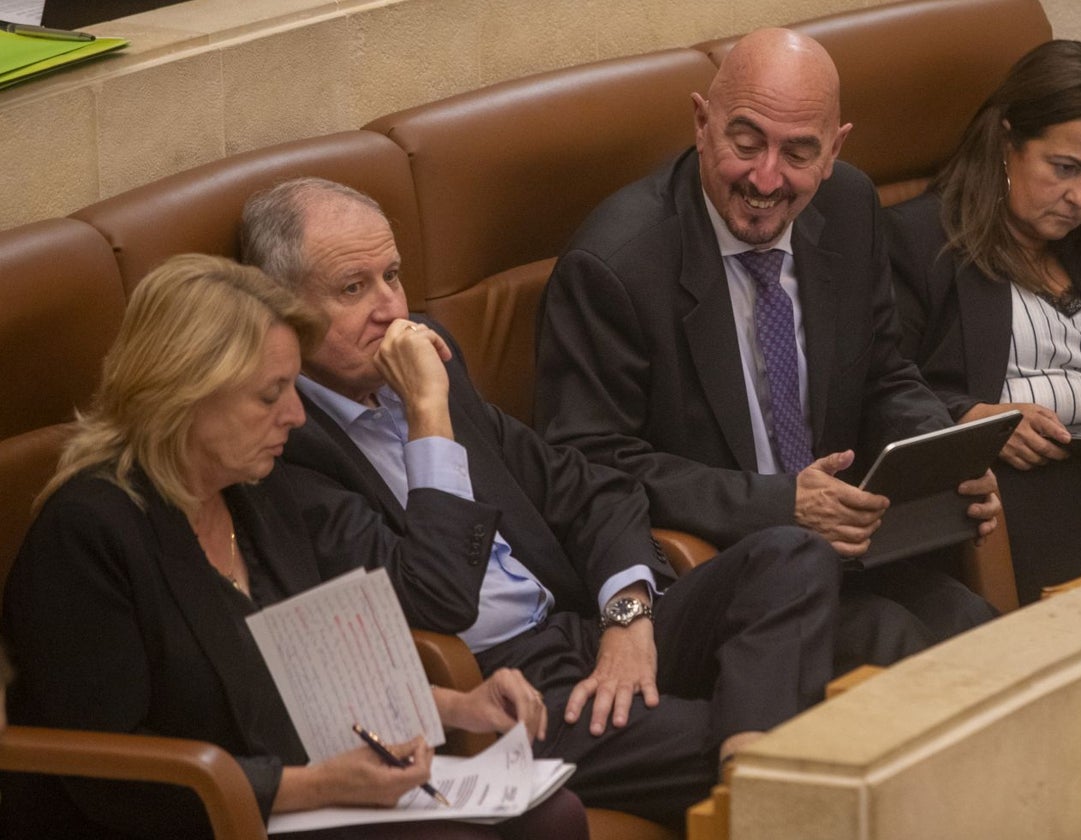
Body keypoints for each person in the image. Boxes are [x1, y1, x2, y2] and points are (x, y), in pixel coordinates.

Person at [240, 177, 844, 829]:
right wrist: (427, 413)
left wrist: (627, 618)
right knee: (769, 731)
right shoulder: (288, 448)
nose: (392, 310)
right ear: (281, 309)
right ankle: (759, 782)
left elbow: (590, 488)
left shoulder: (431, 361)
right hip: (501, 691)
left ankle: (753, 776)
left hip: (582, 628)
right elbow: (432, 595)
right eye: (354, 290)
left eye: (392, 275)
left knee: (791, 551)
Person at [0, 254, 588, 840]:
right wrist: (318, 787)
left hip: (305, 789)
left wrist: (459, 704)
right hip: (194, 817)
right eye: (269, 395)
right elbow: (109, 771)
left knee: (553, 817)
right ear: (181, 396)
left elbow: (313, 671)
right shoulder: (88, 533)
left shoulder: (258, 491)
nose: (296, 414)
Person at [534, 28, 999, 653]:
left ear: (834, 151)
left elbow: (885, 373)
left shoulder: (851, 205)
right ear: (702, 123)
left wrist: (943, 456)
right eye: (746, 142)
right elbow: (589, 463)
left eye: (799, 153)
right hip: (728, 570)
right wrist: (780, 504)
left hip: (855, 548)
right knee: (906, 652)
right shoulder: (615, 268)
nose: (767, 177)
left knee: (987, 638)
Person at [886, 39, 1081, 602]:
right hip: (1029, 486)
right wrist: (971, 416)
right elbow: (879, 384)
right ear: (1007, 141)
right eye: (1063, 168)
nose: (1079, 196)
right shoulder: (917, 240)